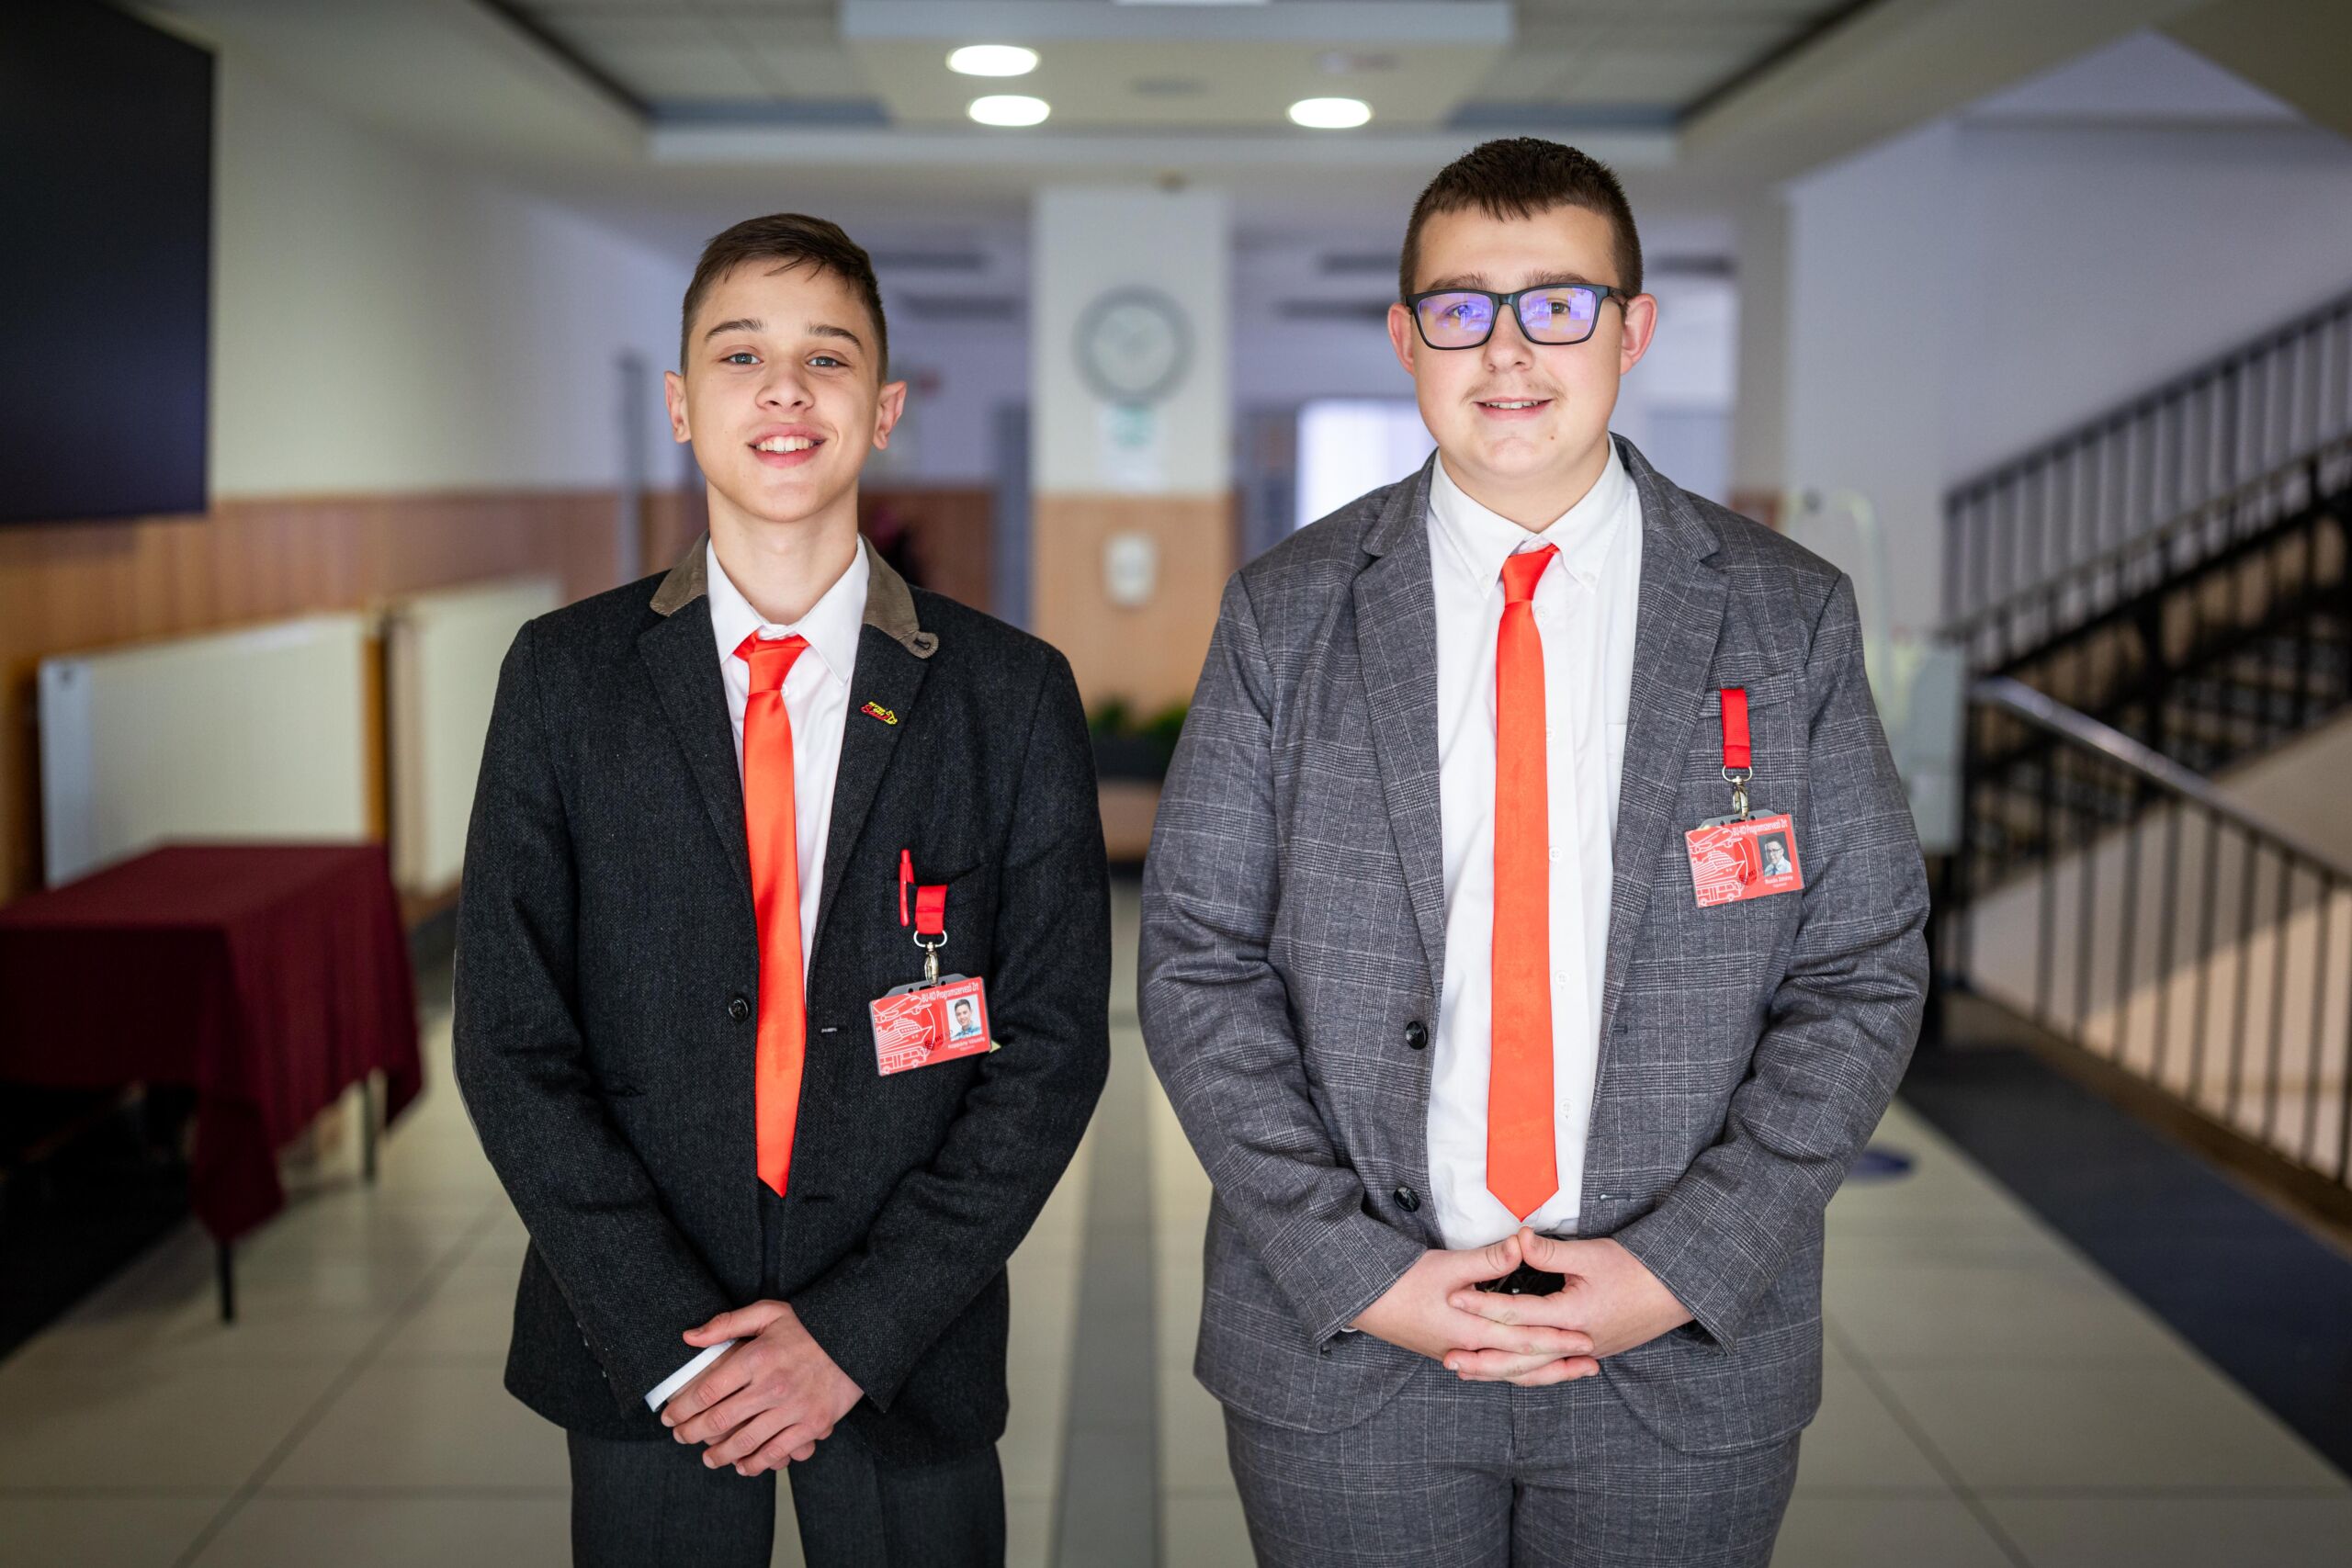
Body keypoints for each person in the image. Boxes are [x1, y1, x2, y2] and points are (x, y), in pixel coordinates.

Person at [1139, 138, 1928, 1566]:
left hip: (1679, 1354)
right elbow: (1198, 961)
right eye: (1462, 308)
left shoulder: (1785, 615)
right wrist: (1355, 1269)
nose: (1508, 350)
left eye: (1558, 304)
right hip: (1350, 1351)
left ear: (1633, 328)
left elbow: (1863, 972)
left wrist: (1677, 1269)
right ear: (1407, 339)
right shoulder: (1286, 613)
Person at [454, 213, 1110, 1568]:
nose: (785, 391)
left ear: (886, 410)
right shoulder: (563, 679)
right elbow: (510, 1039)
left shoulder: (1007, 695)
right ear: (682, 405)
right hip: (648, 1355)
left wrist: (855, 1334)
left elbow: (1051, 1049)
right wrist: (669, 1339)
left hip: (907, 1350)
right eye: (741, 354)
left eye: (828, 357)